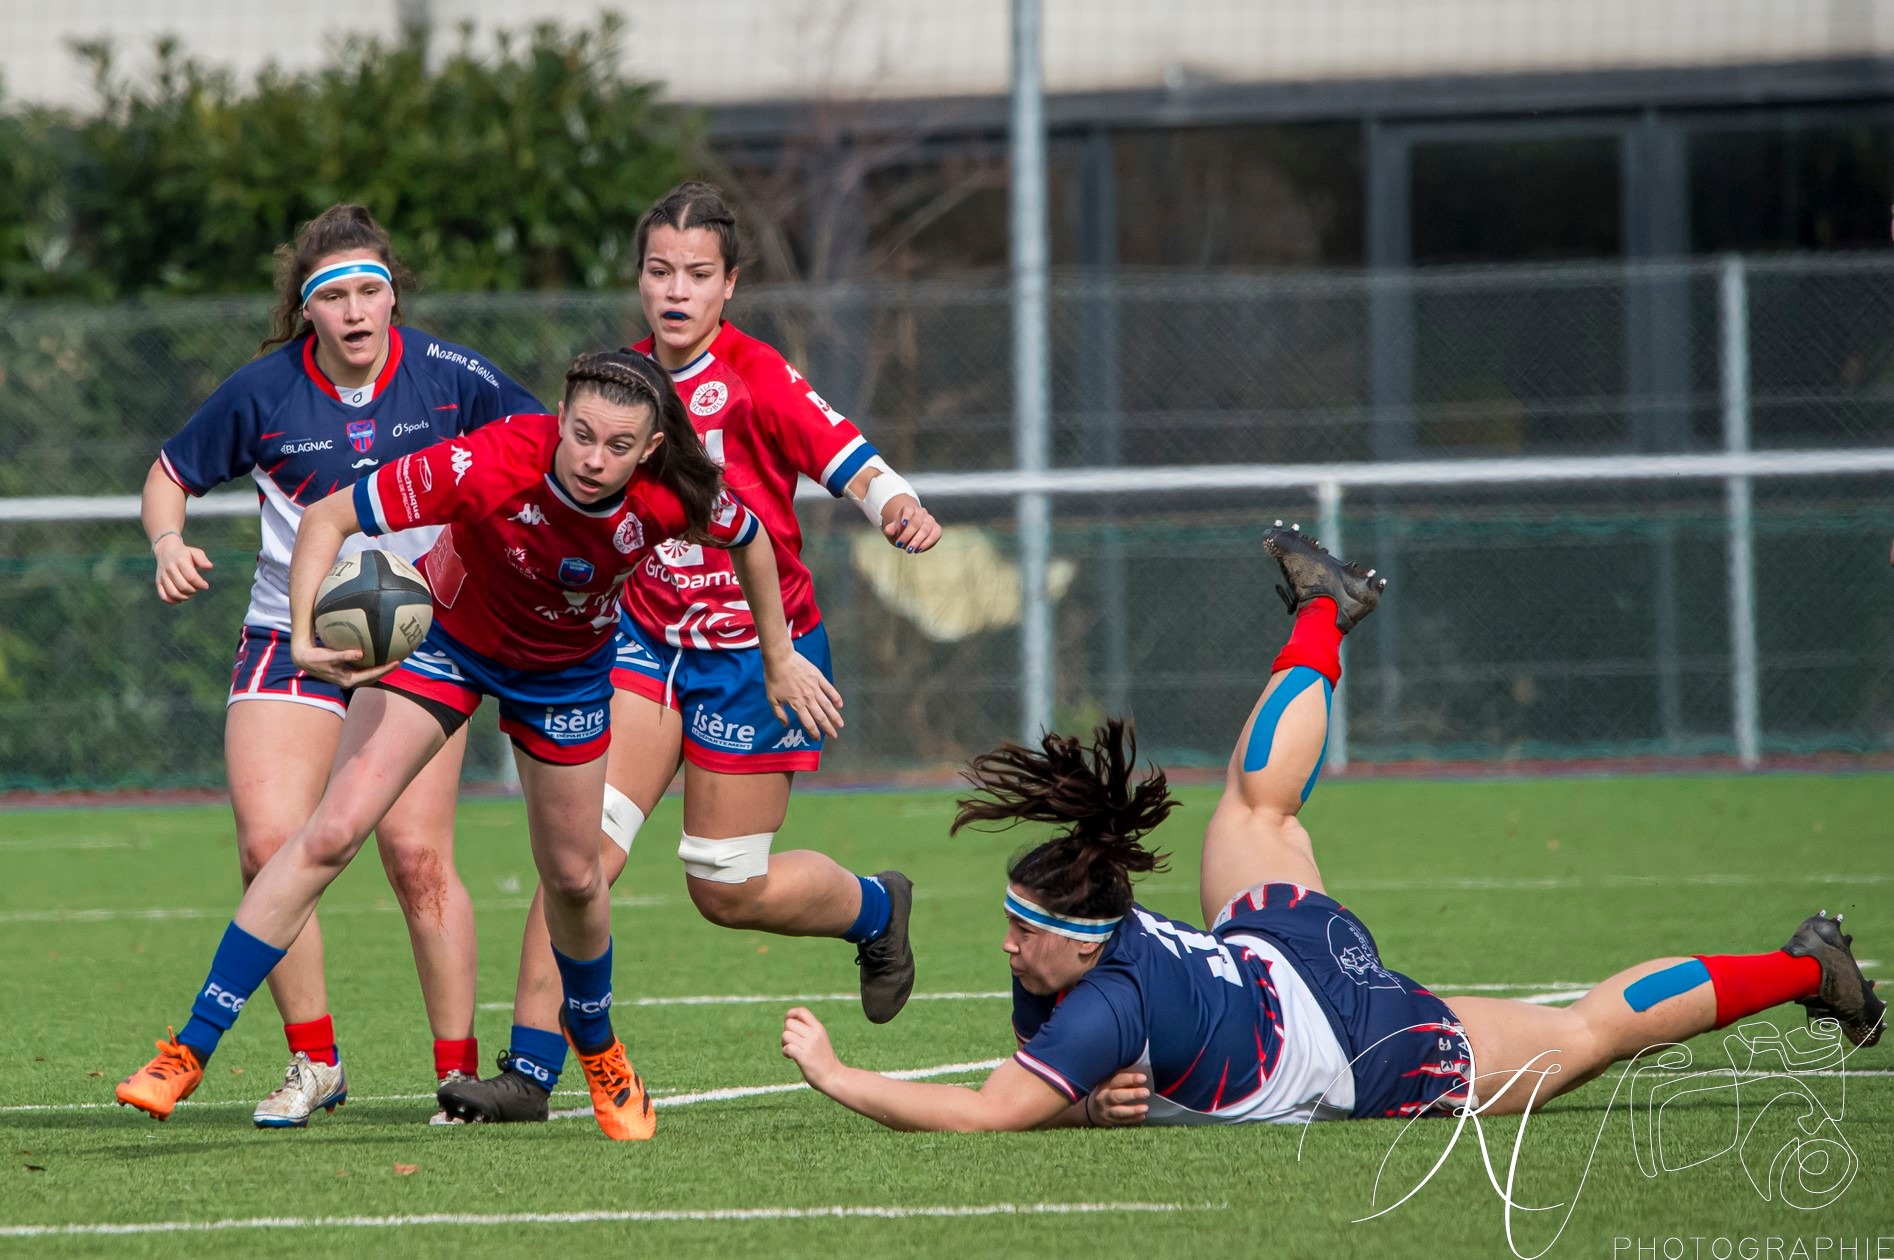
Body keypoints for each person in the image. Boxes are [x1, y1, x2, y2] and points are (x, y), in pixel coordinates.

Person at [779, 524, 1885, 1131]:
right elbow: (1076, 1069)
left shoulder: (1098, 997)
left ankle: (1802, 972)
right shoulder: (1088, 950)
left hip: (1365, 1042)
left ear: (1081, 939)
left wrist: (839, 1077)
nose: (1009, 946)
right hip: (1280, 949)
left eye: (1024, 933)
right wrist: (1109, 1098)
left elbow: (984, 1114)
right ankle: (1324, 610)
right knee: (1256, 804)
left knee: (1583, 1035)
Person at [117, 350, 843, 1142]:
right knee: (330, 833)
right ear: (559, 421)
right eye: (581, 435)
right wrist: (300, 629)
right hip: (445, 646)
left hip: (564, 678)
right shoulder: (490, 460)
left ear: (651, 450)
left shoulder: (672, 497)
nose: (593, 459)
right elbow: (328, 515)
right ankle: (190, 1047)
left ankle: (598, 1050)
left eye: (617, 446)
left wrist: (777, 656)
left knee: (573, 877)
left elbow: (755, 542)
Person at [437, 182, 942, 1124]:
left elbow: (848, 455)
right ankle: (531, 1072)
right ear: (639, 280)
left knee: (725, 884)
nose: (676, 290)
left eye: (697, 275)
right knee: (577, 859)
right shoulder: (619, 388)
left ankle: (876, 909)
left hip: (760, 652)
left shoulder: (758, 377)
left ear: (730, 285)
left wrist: (894, 502)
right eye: (659, 271)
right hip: (638, 649)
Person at [139, 204, 544, 1127]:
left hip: (424, 646)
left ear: (393, 295)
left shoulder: (450, 377)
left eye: (372, 290)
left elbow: (545, 450)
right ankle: (314, 1064)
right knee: (267, 845)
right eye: (336, 296)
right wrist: (168, 540)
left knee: (415, 855)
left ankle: (458, 1076)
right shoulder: (263, 390)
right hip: (290, 636)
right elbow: (170, 473)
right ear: (307, 308)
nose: (358, 311)